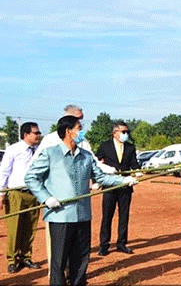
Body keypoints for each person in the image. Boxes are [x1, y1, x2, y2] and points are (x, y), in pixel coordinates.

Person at [24, 115, 138, 286]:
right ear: (68, 131)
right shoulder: (50, 154)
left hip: (83, 215)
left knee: (81, 259)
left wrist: (123, 180)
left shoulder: (86, 156)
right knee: (59, 261)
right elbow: (31, 178)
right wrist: (46, 198)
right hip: (60, 216)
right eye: (79, 128)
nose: (82, 131)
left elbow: (100, 177)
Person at [0, 122, 43, 273]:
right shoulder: (14, 149)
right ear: (26, 134)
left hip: (34, 193)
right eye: (36, 133)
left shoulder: (39, 150)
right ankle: (12, 260)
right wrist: (1, 194)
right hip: (16, 193)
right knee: (14, 228)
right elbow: (4, 171)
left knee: (30, 228)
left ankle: (26, 257)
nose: (38, 135)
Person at [96, 121, 139, 256]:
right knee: (107, 216)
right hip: (109, 186)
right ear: (115, 133)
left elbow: (134, 164)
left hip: (125, 186)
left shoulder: (130, 147)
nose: (126, 134)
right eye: (124, 132)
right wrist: (96, 181)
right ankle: (104, 245)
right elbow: (96, 164)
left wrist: (137, 172)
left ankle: (121, 243)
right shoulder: (105, 146)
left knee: (124, 216)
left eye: (127, 132)